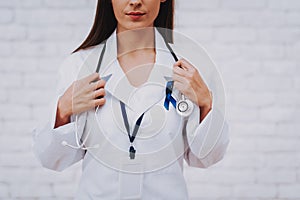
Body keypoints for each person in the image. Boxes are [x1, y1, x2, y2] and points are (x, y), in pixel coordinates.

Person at [32, 0, 229, 199]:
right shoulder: (78, 66)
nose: (135, 2)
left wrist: (206, 103)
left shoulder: (188, 71)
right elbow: (51, 159)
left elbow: (206, 158)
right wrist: (63, 110)